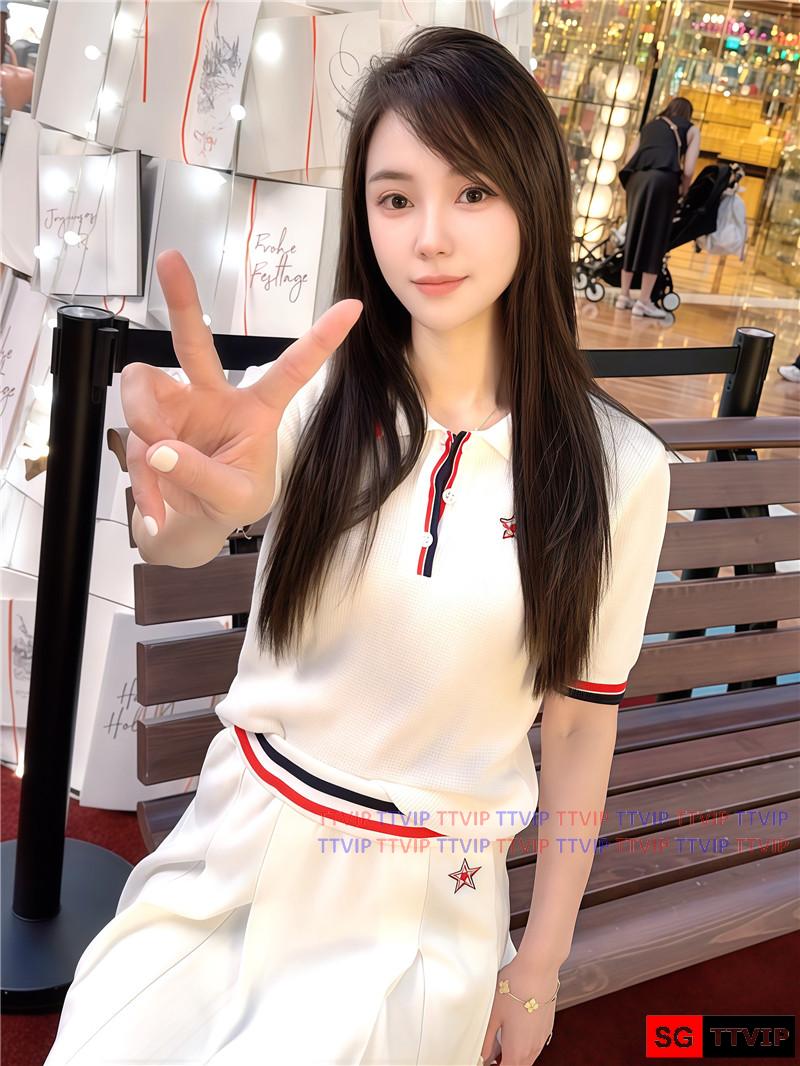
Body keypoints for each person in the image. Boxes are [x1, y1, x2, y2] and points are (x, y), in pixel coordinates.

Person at [44, 26, 675, 1066]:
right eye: (394, 198)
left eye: (472, 191)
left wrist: (540, 965)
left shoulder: (619, 470)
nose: (430, 236)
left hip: (431, 901)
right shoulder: (312, 403)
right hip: (238, 852)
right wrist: (180, 510)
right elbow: (191, 536)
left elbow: (576, 730)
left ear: (535, 198)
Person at [615, 96, 700, 318]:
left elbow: (630, 158)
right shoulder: (691, 130)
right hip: (663, 182)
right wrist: (683, 191)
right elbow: (689, 169)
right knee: (656, 239)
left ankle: (623, 296)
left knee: (634, 233)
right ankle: (644, 301)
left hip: (637, 180)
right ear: (688, 114)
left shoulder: (650, 125)